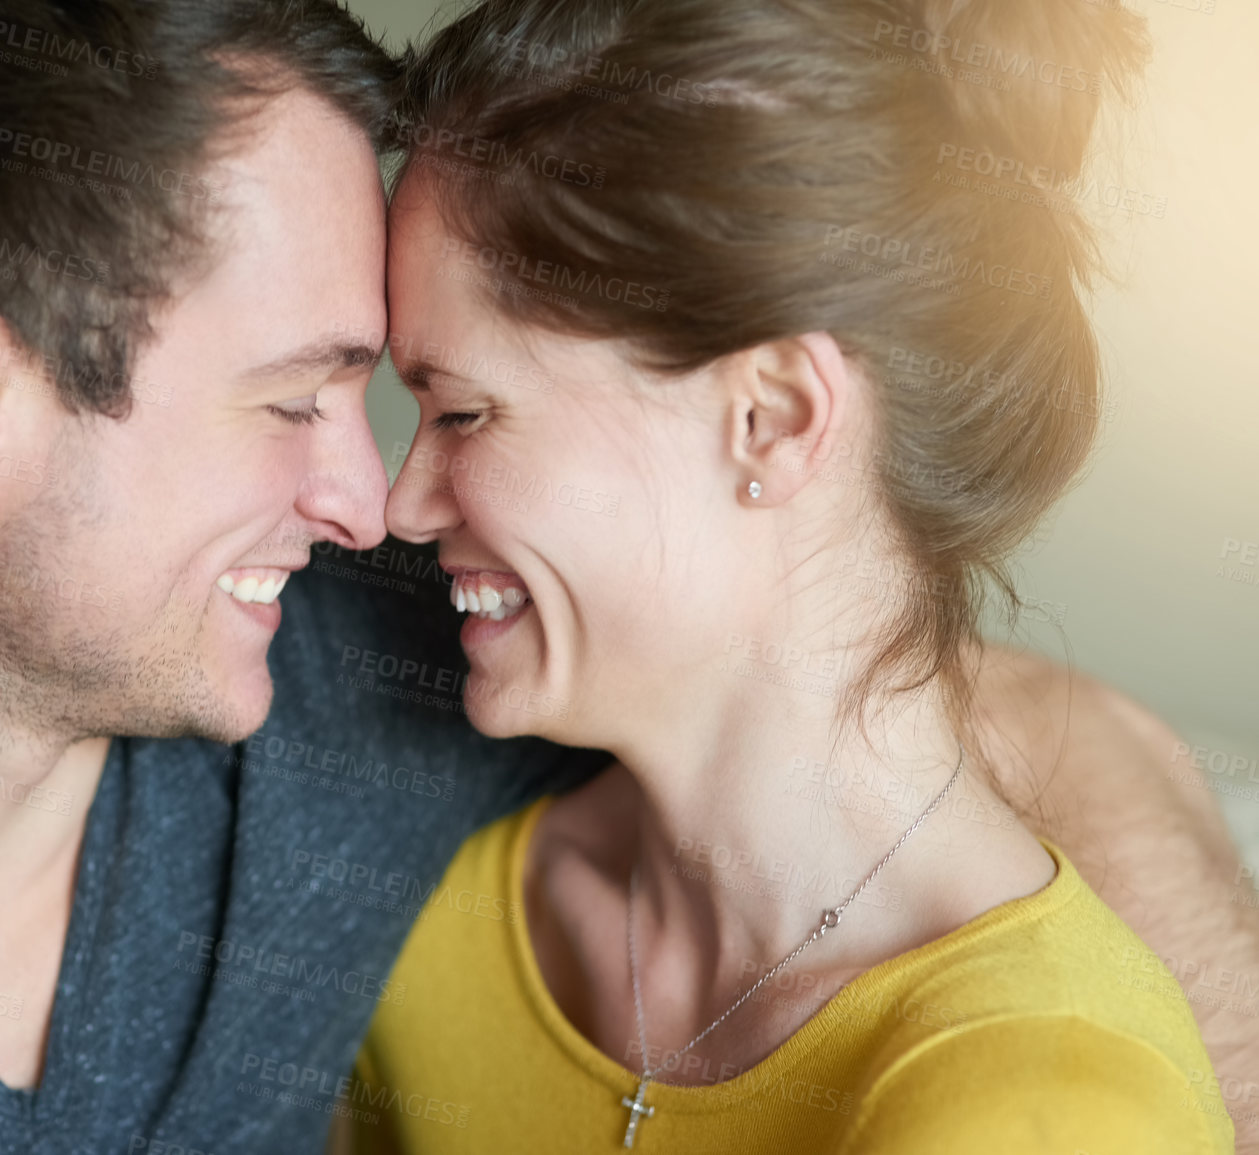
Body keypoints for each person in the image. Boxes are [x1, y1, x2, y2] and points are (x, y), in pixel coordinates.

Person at [0, 2, 1251, 1154]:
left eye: (434, 404)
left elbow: (957, 714)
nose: (368, 506)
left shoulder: (350, 665)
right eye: (295, 400)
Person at [347, 0, 1250, 1150]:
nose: (400, 504)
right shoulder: (431, 918)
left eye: (464, 411)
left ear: (771, 418)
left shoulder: (1056, 1096)